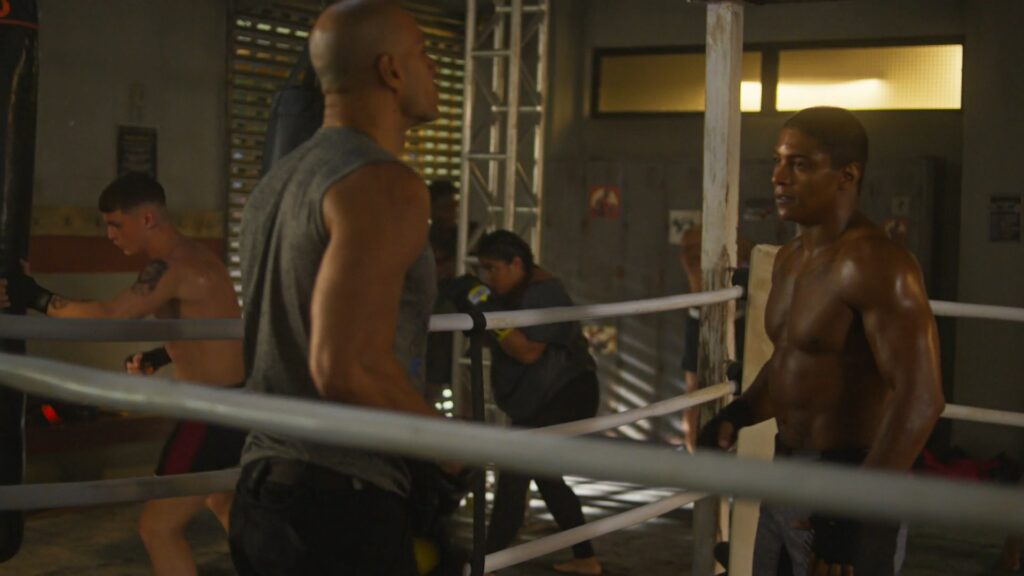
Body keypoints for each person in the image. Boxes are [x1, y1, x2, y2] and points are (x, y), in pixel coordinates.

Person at [230, 1, 462, 574]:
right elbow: (345, 366)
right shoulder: (382, 183)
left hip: (262, 496)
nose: (434, 69)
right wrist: (450, 446)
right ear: (391, 70)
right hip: (338, 503)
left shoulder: (275, 184)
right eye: (423, 54)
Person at [699, 107, 944, 576]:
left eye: (800, 165)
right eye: (778, 161)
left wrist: (854, 508)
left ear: (846, 175)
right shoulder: (790, 259)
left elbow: (922, 398)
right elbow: (792, 359)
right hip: (785, 468)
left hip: (852, 474)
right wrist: (740, 413)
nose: (779, 177)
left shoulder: (876, 263)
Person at [0, 171, 245, 576]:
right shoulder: (195, 258)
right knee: (221, 500)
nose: (110, 235)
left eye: (116, 224)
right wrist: (159, 355)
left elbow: (110, 316)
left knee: (157, 529)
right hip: (229, 404)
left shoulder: (175, 266)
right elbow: (211, 332)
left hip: (210, 413)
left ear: (147, 218)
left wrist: (33, 295)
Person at [467, 230, 602, 576]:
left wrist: (485, 310)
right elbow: (503, 343)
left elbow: (526, 351)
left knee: (517, 470)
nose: (487, 277)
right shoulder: (516, 291)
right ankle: (585, 558)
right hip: (544, 396)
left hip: (564, 394)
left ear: (516, 263)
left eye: (492, 268)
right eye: (482, 269)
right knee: (544, 474)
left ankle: (487, 560)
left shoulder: (544, 293)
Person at [678, 224, 752, 453]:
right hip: (708, 313)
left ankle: (698, 451)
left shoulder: (733, 244)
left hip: (721, 314)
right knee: (700, 389)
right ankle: (697, 451)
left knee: (723, 387)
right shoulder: (698, 245)